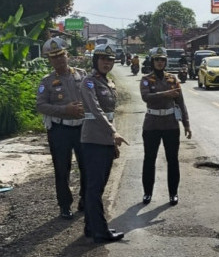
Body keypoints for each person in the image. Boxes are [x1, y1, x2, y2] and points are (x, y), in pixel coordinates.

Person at [80, 45, 129, 243]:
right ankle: (100, 231)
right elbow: (96, 110)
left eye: (110, 60)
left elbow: (110, 114)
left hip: (105, 140)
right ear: (95, 61)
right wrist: (113, 133)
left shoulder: (108, 82)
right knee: (94, 187)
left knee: (97, 187)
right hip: (93, 139)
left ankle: (91, 227)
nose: (107, 63)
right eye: (103, 60)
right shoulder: (89, 83)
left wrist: (113, 141)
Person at [36, 37, 87, 219]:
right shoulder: (47, 81)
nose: (59, 60)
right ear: (49, 60)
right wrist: (64, 110)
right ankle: (64, 205)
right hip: (60, 130)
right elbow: (41, 105)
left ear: (67, 55)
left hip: (82, 128)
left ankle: (85, 199)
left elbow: (92, 97)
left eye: (61, 55)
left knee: (86, 166)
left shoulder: (81, 75)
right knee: (61, 169)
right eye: (54, 57)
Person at [139, 47, 192, 206]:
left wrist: (186, 124)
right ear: (152, 62)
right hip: (152, 124)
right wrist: (166, 94)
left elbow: (181, 103)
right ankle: (147, 192)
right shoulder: (146, 79)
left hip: (170, 124)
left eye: (162, 60)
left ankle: (173, 193)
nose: (160, 62)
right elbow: (145, 97)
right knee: (149, 159)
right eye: (157, 60)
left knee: (173, 160)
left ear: (165, 62)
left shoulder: (173, 80)